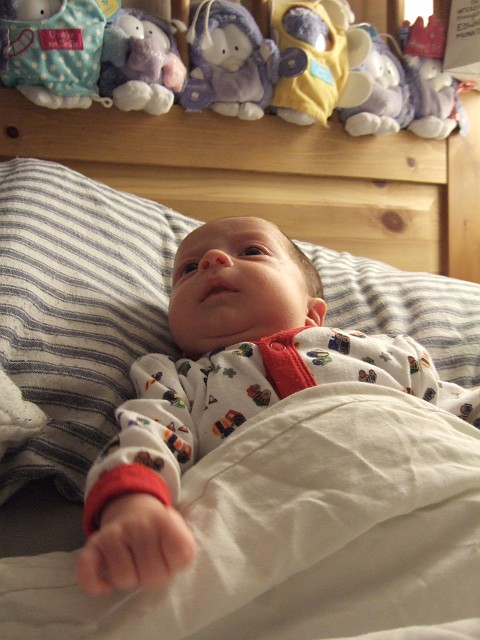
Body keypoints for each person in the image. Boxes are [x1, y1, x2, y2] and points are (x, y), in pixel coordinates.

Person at [76, 216, 480, 596]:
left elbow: (458, 411)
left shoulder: (385, 353)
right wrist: (133, 504)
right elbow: (149, 432)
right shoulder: (178, 379)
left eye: (252, 251)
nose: (212, 260)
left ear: (312, 312)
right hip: (272, 545)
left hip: (435, 498)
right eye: (189, 269)